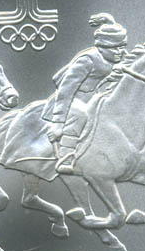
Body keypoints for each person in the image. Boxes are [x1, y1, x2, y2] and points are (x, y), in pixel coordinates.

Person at [42, 13, 128, 174]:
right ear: (101, 47)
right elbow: (66, 90)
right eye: (113, 48)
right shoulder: (87, 60)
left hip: (95, 98)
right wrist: (58, 123)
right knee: (79, 113)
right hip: (74, 100)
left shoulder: (119, 57)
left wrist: (110, 22)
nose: (119, 52)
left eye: (122, 47)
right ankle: (66, 157)